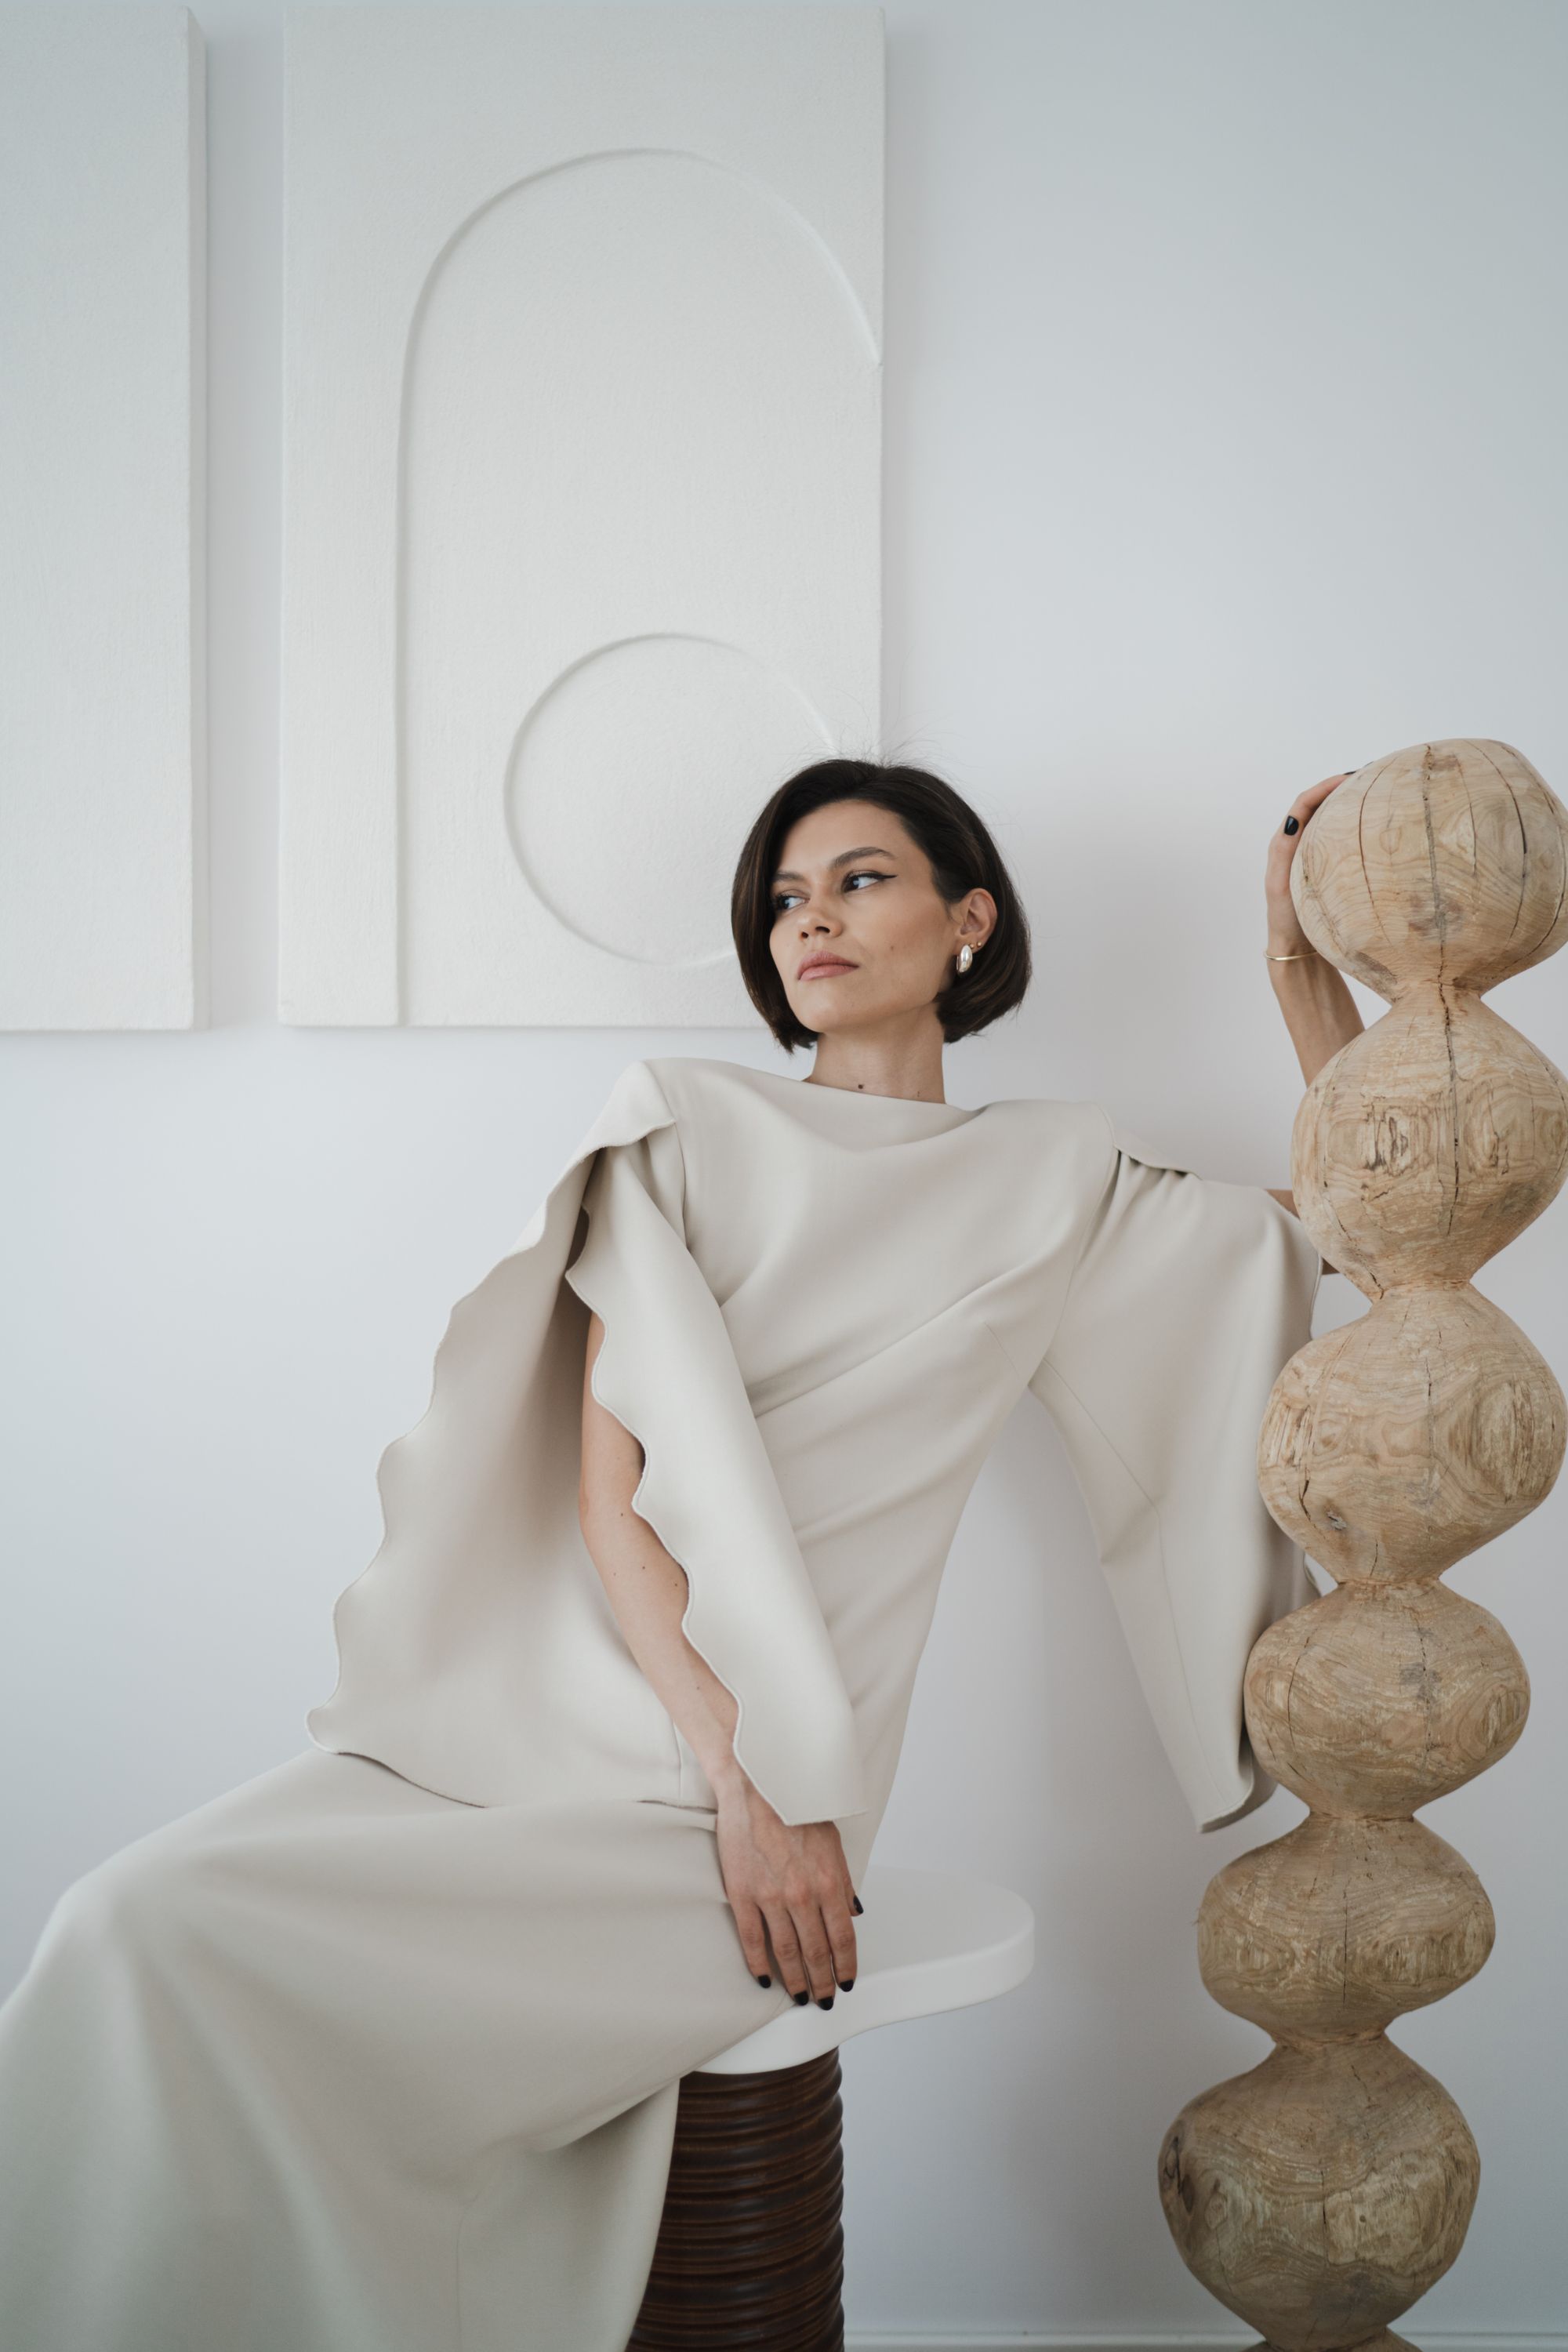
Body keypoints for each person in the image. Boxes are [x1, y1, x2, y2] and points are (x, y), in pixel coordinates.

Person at [0, 756, 1363, 2351]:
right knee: (125, 1921)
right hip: (606, 1742)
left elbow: (1361, 1213)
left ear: (970, 920)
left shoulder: (1062, 1180)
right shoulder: (684, 1123)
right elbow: (615, 1498)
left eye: (859, 879)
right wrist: (745, 1784)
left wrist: (1293, 963)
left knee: (168, 1941)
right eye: (784, 899)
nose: (810, 921)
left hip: (787, 1781)